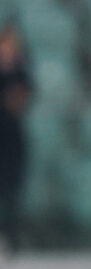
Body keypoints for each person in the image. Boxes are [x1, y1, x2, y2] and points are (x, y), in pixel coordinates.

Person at [0, 18, 32, 251]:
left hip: (11, 139)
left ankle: (11, 240)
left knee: (11, 192)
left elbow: (24, 98)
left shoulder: (21, 71)